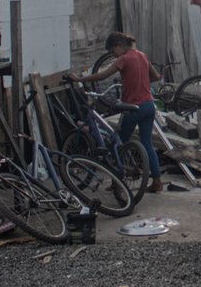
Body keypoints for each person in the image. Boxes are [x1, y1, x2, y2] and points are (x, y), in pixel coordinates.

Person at [68, 32, 163, 193]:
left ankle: (117, 183)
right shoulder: (142, 55)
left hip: (133, 107)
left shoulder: (124, 59)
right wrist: (141, 82)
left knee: (118, 144)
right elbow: (155, 76)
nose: (113, 55)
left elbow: (102, 75)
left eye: (113, 51)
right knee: (147, 143)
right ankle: (157, 182)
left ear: (119, 45)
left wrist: (79, 79)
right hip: (149, 106)